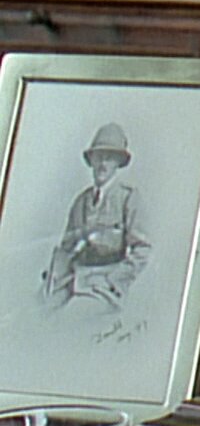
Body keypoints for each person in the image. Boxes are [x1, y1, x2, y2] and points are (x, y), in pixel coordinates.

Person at [43, 122, 150, 309]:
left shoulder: (128, 197)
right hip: (74, 282)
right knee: (38, 312)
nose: (103, 164)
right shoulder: (81, 201)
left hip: (104, 289)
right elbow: (66, 248)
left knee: (70, 317)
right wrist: (52, 281)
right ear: (91, 160)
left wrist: (113, 280)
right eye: (99, 157)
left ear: (118, 163)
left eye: (109, 158)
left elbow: (142, 250)